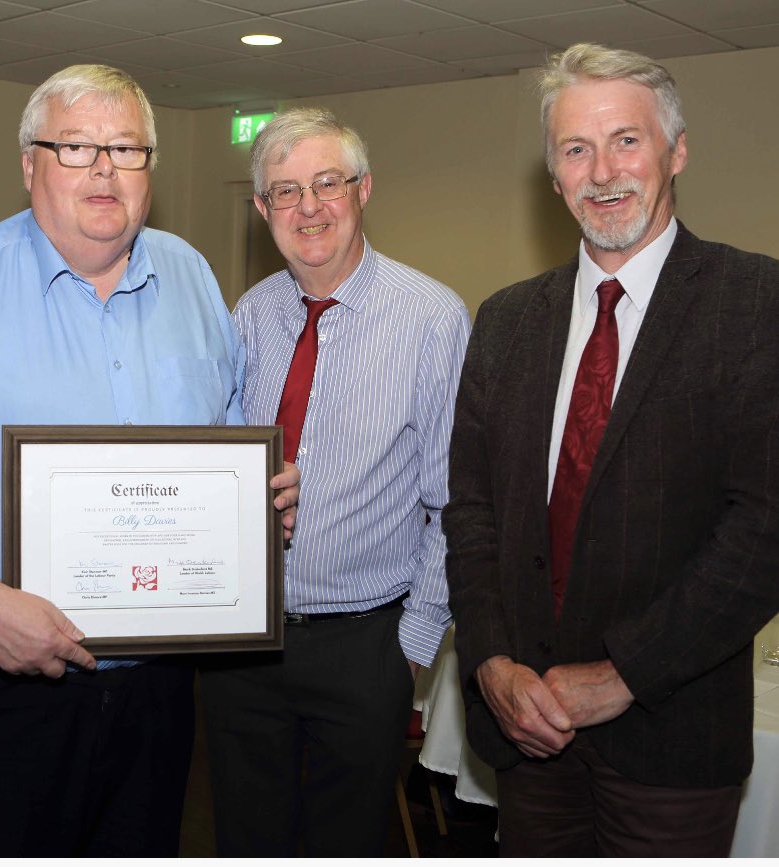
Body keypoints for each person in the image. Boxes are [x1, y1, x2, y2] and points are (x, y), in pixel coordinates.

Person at [0, 64, 298, 857]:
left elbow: (225, 439)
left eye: (127, 149)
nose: (104, 170)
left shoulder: (193, 279)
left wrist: (258, 500)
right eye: (75, 147)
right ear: (29, 164)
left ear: (149, 168)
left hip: (156, 694)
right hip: (0, 692)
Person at [445, 43, 779, 857]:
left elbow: (763, 530)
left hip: (672, 740)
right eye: (576, 149)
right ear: (554, 176)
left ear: (677, 150)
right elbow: (472, 514)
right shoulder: (505, 320)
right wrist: (490, 661)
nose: (602, 172)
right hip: (528, 734)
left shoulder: (754, 303)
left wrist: (624, 673)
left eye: (626, 140)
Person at [199, 107, 470, 856]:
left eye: (327, 183)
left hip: (365, 645)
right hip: (242, 643)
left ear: (363, 189)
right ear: (262, 210)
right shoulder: (249, 316)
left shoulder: (432, 319)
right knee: (245, 841)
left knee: (344, 844)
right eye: (285, 191)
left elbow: (456, 502)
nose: (309, 207)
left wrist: (411, 646)